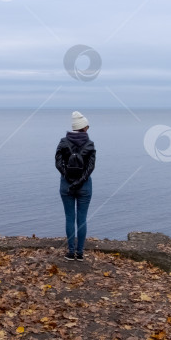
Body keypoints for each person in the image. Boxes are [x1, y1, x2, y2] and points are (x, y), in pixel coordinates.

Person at [55, 111, 96, 261]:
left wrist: (68, 179)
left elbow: (58, 164)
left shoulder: (63, 142)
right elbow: (90, 168)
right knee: (82, 218)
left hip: (66, 185)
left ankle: (70, 252)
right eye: (87, 126)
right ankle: (80, 253)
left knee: (69, 217)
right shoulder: (90, 144)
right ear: (84, 127)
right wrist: (80, 181)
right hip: (85, 186)